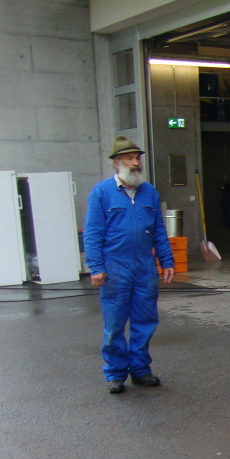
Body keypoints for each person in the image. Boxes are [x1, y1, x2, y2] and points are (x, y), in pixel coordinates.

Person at [84, 135, 175, 394]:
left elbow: (159, 230)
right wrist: (96, 267)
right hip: (115, 268)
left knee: (145, 321)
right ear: (116, 163)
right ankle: (115, 373)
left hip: (144, 267)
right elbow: (93, 232)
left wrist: (166, 260)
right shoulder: (102, 192)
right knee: (114, 324)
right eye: (129, 158)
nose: (136, 163)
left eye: (137, 158)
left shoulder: (150, 192)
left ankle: (140, 369)